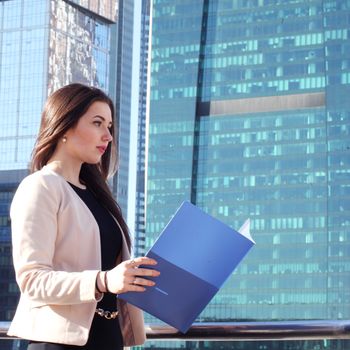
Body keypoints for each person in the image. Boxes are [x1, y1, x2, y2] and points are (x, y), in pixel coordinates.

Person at [8, 83, 160, 350]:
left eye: (110, 126)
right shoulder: (40, 186)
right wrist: (103, 280)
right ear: (64, 125)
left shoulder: (99, 197)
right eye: (98, 123)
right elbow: (32, 280)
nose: (108, 136)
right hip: (58, 343)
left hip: (108, 339)